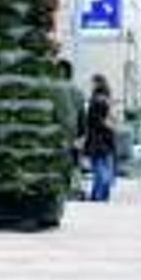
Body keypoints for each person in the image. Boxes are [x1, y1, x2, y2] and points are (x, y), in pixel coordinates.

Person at [50, 60, 87, 199]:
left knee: (55, 163)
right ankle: (72, 190)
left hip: (54, 133)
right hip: (73, 133)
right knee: (73, 164)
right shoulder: (77, 91)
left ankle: (58, 190)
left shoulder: (51, 88)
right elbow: (82, 115)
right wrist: (82, 135)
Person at [84, 74, 116, 202]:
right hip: (108, 139)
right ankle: (102, 195)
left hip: (97, 139)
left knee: (99, 169)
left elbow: (93, 121)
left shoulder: (96, 100)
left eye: (92, 82)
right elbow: (111, 120)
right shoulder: (108, 99)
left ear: (97, 84)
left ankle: (97, 196)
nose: (90, 85)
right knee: (105, 166)